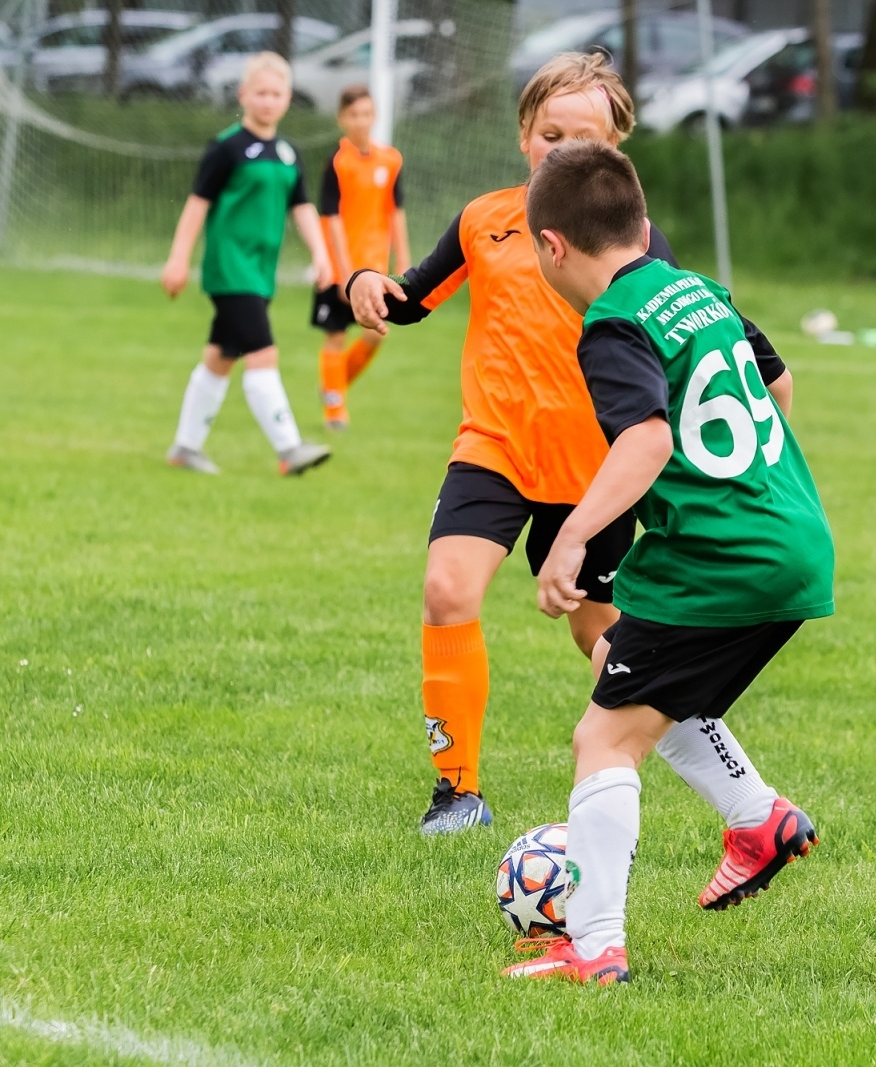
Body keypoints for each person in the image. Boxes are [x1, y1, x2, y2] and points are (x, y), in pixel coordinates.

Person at [347, 53, 794, 835]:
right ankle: (457, 793)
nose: (561, 150)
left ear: (614, 151)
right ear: (524, 134)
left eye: (582, 139)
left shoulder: (638, 243)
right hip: (495, 448)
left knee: (609, 645)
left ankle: (749, 802)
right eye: (549, 134)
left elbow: (701, 328)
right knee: (448, 589)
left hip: (595, 472)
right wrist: (365, 282)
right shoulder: (484, 219)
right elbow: (412, 295)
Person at [502, 140, 834, 984]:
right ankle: (757, 818)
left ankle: (594, 945)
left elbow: (646, 440)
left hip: (720, 559)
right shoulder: (696, 290)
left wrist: (572, 537)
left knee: (603, 738)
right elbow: (779, 384)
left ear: (551, 247)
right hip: (793, 540)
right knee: (620, 660)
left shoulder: (614, 321)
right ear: (643, 226)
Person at [161, 51, 335, 477]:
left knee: (222, 355)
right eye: (260, 93)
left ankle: (184, 449)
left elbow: (301, 207)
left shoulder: (289, 153)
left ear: (288, 98)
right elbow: (197, 205)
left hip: (260, 271)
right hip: (230, 267)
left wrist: (321, 253)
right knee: (262, 351)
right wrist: (178, 259)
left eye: (276, 94)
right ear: (243, 95)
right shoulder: (227, 147)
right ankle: (289, 449)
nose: (268, 101)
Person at [314, 85, 411, 430]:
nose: (361, 121)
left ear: (375, 116)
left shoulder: (391, 160)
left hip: (375, 267)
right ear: (342, 119)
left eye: (367, 113)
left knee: (375, 334)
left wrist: (404, 260)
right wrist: (343, 272)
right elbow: (331, 218)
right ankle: (334, 411)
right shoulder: (337, 163)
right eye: (354, 114)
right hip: (339, 267)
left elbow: (395, 213)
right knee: (336, 335)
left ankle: (334, 386)